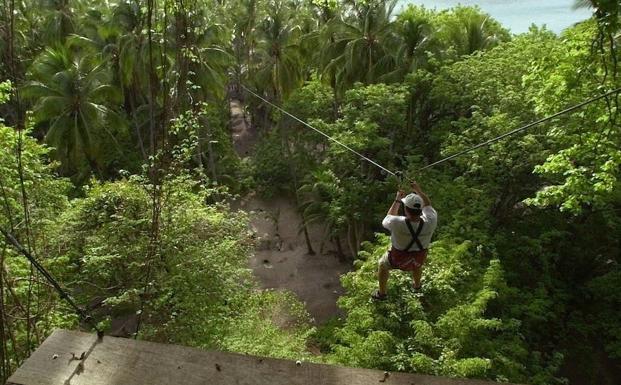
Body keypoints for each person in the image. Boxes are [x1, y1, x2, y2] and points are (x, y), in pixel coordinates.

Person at [372, 181, 437, 300]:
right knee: (418, 263)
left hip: (397, 260)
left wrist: (397, 199)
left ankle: (382, 294)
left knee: (382, 264)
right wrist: (418, 190)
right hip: (418, 258)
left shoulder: (397, 222)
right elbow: (428, 204)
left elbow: (388, 217)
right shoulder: (431, 221)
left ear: (406, 210)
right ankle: (417, 286)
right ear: (421, 208)